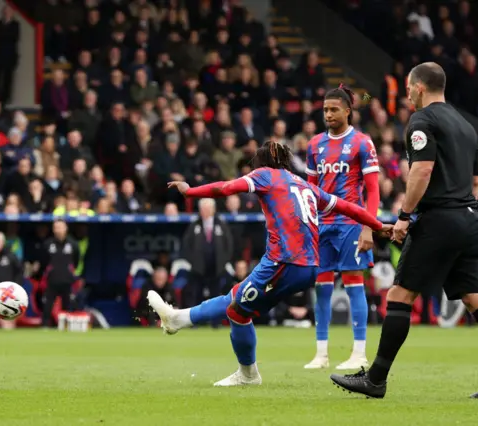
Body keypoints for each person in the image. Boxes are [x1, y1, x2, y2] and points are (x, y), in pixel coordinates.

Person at [330, 62, 478, 399]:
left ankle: (375, 379)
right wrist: (464, 211)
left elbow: (422, 171)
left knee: (399, 295)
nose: (406, 95)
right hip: (469, 220)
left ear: (419, 88)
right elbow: (476, 182)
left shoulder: (423, 121)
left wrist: (404, 216)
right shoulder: (465, 125)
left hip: (438, 220)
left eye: (407, 89)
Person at [148, 140, 392, 387]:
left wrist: (190, 191)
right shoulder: (304, 184)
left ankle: (244, 371)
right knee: (236, 303)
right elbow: (347, 206)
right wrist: (378, 225)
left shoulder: (266, 175)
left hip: (284, 261)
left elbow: (226, 188)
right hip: (309, 267)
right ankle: (180, 321)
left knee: (236, 310)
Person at [303, 84, 379, 370]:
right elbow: (310, 191)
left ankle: (359, 353)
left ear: (348, 111)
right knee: (321, 288)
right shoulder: (314, 145)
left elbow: (372, 191)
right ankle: (321, 354)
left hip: (350, 223)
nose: (329, 114)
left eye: (334, 109)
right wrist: (309, 226)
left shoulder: (362, 143)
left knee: (353, 286)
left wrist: (368, 227)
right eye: (325, 110)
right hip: (322, 226)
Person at [40, 219, 80, 327]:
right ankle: (45, 327)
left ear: (66, 228)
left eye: (60, 227)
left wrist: (70, 272)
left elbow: (76, 261)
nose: (58, 230)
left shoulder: (73, 244)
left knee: (68, 306)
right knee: (47, 305)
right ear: (53, 230)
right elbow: (44, 261)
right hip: (52, 280)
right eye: (56, 228)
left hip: (67, 281)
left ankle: (67, 327)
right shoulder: (48, 244)